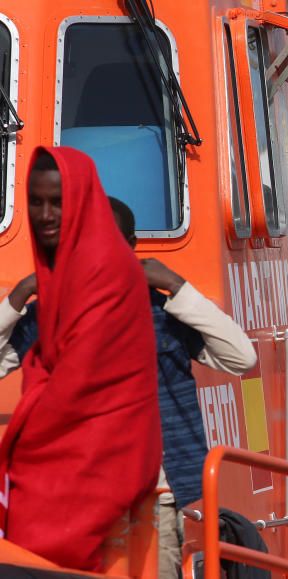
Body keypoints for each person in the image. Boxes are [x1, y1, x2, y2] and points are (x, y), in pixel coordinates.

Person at [1, 197, 259, 577]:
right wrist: (19, 295)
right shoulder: (45, 320)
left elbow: (241, 357)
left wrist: (177, 287)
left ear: (131, 246)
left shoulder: (162, 316)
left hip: (152, 498)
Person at [0, 147, 160, 570]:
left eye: (58, 202)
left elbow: (79, 382)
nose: (46, 215)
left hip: (101, 458)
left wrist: (30, 403)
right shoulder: (62, 270)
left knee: (34, 529)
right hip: (83, 452)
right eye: (36, 202)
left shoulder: (104, 269)